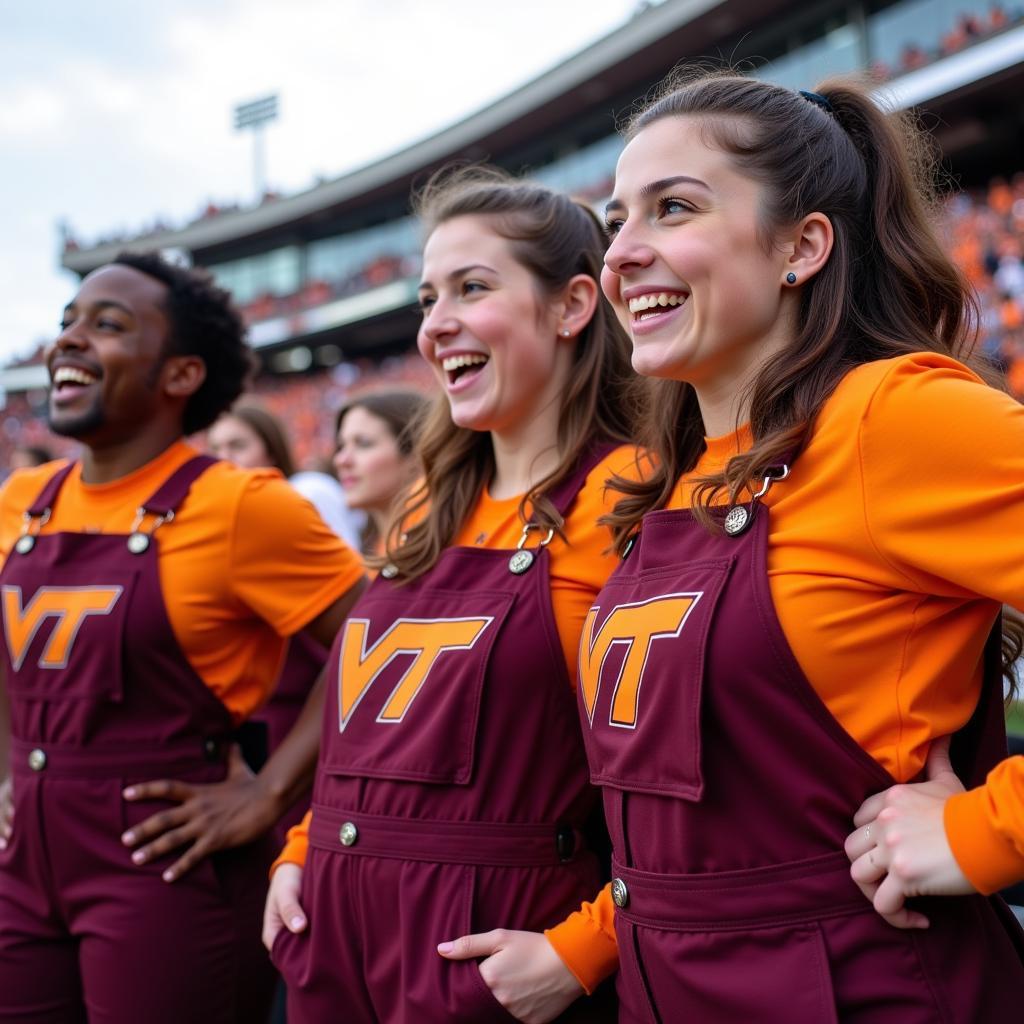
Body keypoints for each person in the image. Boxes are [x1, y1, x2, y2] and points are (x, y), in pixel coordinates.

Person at [561, 71, 1024, 1021]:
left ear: (802, 247)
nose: (622, 255)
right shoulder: (669, 479)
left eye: (673, 208)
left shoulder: (892, 416)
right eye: (616, 223)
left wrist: (990, 830)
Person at [263, 168, 642, 1023]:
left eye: (473, 288)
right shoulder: (429, 504)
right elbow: (367, 725)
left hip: (487, 960)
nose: (437, 326)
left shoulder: (635, 495)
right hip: (330, 938)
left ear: (574, 305)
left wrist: (582, 951)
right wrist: (301, 848)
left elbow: (700, 802)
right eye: (429, 297)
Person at [0, 252, 366, 1024]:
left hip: (164, 858)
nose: (69, 340)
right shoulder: (21, 500)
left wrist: (271, 791)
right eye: (67, 323)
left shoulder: (243, 505)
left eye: (107, 326)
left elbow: (381, 635)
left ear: (181, 375)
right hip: (20, 862)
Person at [208, 402, 366, 550]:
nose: (224, 459)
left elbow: (350, 567)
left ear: (271, 450)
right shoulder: (224, 516)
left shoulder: (308, 490)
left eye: (238, 446)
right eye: (215, 449)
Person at [332, 389, 428, 554]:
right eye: (341, 446)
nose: (341, 460)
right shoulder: (373, 555)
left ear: (417, 455)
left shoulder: (446, 549)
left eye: (363, 444)